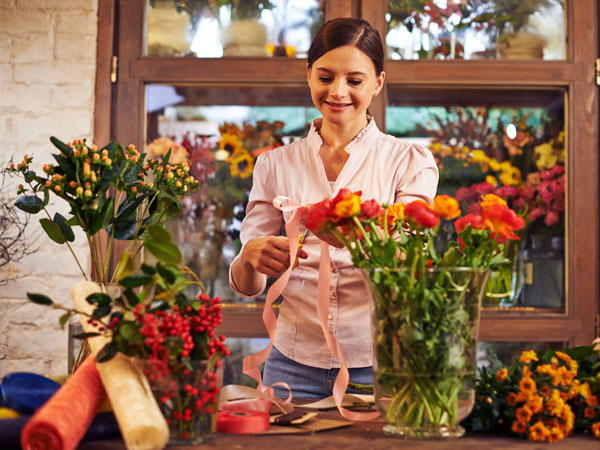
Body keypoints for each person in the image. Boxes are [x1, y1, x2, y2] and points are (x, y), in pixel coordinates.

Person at [229, 17, 439, 398]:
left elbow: (411, 268)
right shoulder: (275, 164)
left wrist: (356, 236)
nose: (338, 91)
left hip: (378, 361)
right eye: (325, 77)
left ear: (378, 82)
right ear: (308, 75)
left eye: (354, 81)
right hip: (290, 361)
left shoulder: (409, 162)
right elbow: (249, 286)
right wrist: (248, 257)